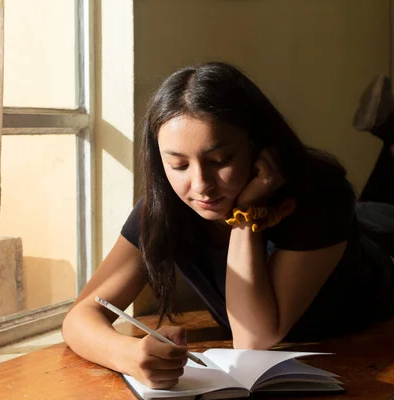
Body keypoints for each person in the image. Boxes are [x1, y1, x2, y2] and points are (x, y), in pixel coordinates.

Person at [62, 62, 394, 390]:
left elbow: (253, 337)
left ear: (258, 146)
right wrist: (130, 354)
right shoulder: (165, 208)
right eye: (178, 164)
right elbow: (80, 317)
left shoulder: (318, 197)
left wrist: (246, 216)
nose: (201, 184)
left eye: (220, 161)